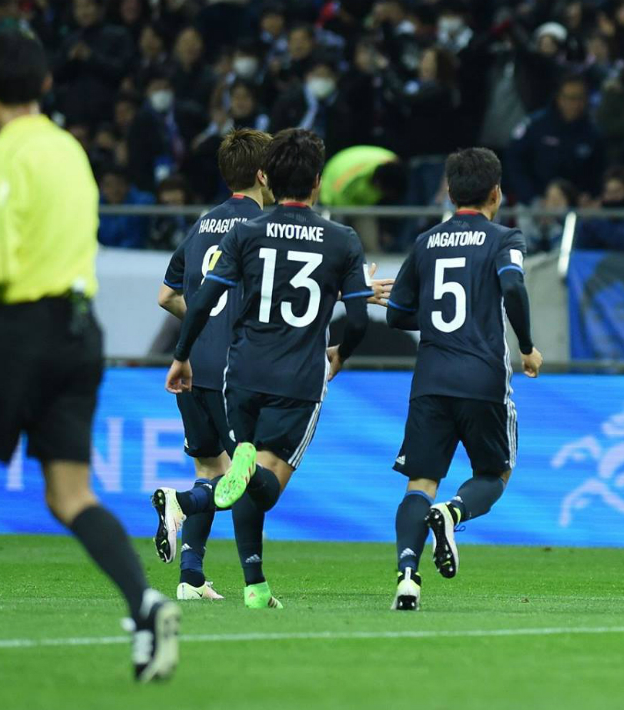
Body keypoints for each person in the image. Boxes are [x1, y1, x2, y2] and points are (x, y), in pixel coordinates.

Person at [0, 30, 178, 682]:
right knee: (71, 495)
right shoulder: (71, 151)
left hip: (18, 332)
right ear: (43, 86)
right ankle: (146, 604)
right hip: (78, 331)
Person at [163, 129, 380, 609]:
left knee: (235, 468)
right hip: (296, 379)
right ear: (318, 182)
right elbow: (360, 322)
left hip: (238, 376)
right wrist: (340, 353)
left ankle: (252, 584)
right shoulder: (341, 239)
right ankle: (199, 509)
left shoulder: (242, 232)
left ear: (269, 177)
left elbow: (198, 302)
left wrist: (182, 355)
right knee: (266, 483)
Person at [384, 147, 542, 611]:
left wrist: (431, 317)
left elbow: (396, 315)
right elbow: (512, 285)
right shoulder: (504, 237)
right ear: (497, 192)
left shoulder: (426, 242)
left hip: (430, 379)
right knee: (494, 473)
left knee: (419, 481)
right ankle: (452, 514)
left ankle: (407, 578)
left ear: (450, 193)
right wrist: (528, 347)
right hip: (482, 378)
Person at [152, 129, 273, 601]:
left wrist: (200, 328)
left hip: (192, 364)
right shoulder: (262, 226)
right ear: (264, 175)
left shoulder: (202, 225)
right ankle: (183, 510)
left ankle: (191, 576)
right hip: (233, 370)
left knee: (210, 466)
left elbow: (166, 296)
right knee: (250, 474)